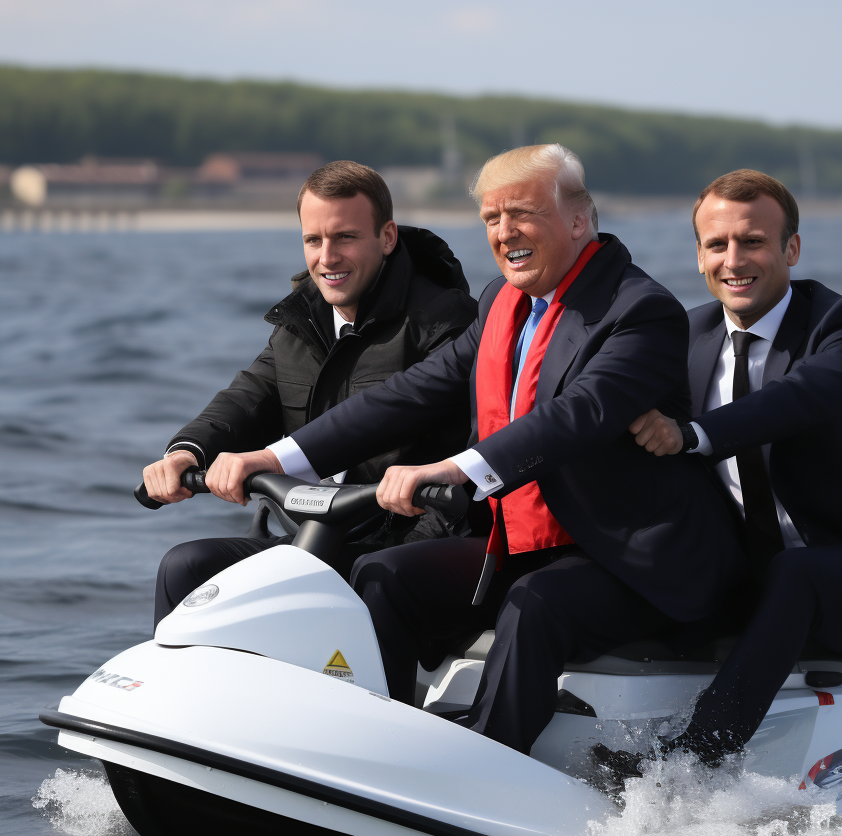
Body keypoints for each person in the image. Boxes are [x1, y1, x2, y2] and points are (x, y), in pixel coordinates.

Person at [205, 143, 747, 756]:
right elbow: (409, 393)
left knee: (534, 603)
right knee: (383, 574)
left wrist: (451, 469)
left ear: (578, 220)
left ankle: (483, 767)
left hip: (628, 556)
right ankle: (369, 750)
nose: (504, 232)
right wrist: (274, 458)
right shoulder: (500, 303)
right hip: (519, 542)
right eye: (491, 218)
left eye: (521, 212)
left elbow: (575, 417)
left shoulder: (640, 312)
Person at [596, 169, 842, 774]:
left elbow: (800, 397)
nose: (734, 260)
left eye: (752, 241)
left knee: (796, 571)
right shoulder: (685, 335)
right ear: (698, 256)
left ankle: (695, 761)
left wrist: (696, 434)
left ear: (791, 249)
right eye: (717, 245)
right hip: (741, 576)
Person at [144, 160, 477, 626]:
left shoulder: (446, 322)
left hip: (404, 542)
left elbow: (452, 450)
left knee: (375, 578)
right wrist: (186, 452)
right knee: (186, 566)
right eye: (313, 240)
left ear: (387, 237)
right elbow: (246, 396)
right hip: (312, 536)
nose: (327, 258)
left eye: (345, 238)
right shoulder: (300, 321)